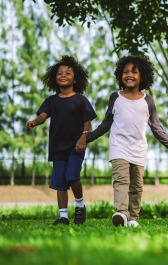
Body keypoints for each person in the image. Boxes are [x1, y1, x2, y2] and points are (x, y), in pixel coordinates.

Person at [77, 55, 168, 228]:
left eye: (134, 72)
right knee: (121, 180)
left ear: (142, 76)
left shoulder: (148, 100)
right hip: (119, 147)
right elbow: (106, 123)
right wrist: (88, 136)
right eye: (125, 72)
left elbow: (156, 127)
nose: (129, 75)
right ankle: (121, 213)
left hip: (139, 149)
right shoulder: (115, 97)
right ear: (120, 76)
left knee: (136, 186)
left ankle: (133, 218)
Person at [26, 55, 97, 225]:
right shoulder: (51, 101)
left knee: (72, 176)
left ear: (75, 78)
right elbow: (43, 116)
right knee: (60, 183)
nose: (63, 75)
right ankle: (63, 216)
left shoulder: (80, 100)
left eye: (67, 73)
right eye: (59, 73)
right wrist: (34, 122)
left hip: (76, 146)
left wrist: (83, 137)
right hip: (57, 148)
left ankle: (80, 205)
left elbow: (87, 123)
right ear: (54, 78)